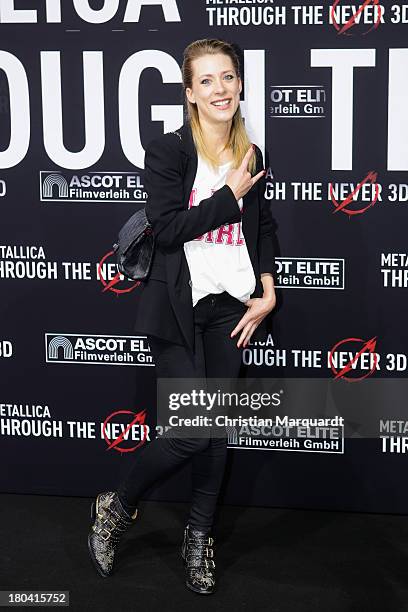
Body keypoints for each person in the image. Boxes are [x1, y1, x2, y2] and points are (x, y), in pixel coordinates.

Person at [88, 38, 277, 595]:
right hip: (177, 308)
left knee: (215, 431)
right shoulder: (168, 150)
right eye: (208, 81)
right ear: (190, 94)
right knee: (194, 431)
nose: (220, 89)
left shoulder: (251, 153)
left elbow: (262, 228)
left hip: (231, 308)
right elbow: (168, 228)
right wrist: (228, 194)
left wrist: (267, 292)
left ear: (239, 85)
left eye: (228, 78)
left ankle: (199, 535)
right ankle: (118, 506)